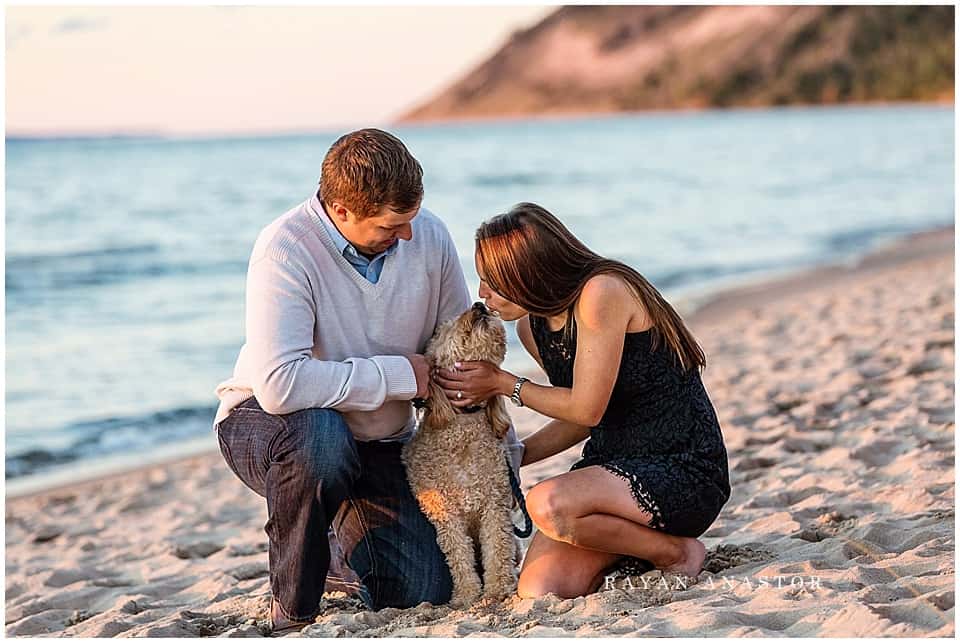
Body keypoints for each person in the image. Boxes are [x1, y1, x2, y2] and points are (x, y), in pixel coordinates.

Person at [213, 129, 524, 631]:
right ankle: (293, 609)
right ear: (340, 211)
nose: (406, 236)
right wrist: (402, 375)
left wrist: (487, 420)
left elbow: (452, 344)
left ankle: (332, 546)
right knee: (322, 440)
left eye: (411, 220)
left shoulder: (430, 236)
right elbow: (280, 385)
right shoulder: (285, 249)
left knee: (426, 588)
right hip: (274, 428)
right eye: (390, 225)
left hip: (382, 439)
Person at [434, 202, 730, 598]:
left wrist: (504, 382)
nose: (483, 293)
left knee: (549, 503)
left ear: (529, 273)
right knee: (541, 590)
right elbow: (583, 418)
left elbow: (587, 407)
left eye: (493, 280)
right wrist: (514, 455)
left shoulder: (602, 292)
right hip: (613, 472)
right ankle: (630, 550)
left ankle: (675, 552)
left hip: (681, 467)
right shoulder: (531, 327)